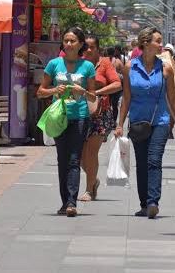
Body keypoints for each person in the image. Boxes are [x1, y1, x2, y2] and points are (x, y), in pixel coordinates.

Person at [115, 28, 175, 219]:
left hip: (160, 121)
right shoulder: (130, 67)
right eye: (157, 41)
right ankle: (144, 204)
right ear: (146, 43)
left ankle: (153, 201)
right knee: (141, 163)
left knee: (154, 160)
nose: (161, 44)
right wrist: (119, 124)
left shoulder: (166, 68)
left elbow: (172, 100)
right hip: (138, 121)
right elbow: (127, 99)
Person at [38, 27, 97, 217]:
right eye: (66, 41)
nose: (68, 44)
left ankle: (72, 202)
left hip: (80, 117)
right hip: (59, 118)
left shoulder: (87, 67)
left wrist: (83, 92)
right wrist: (54, 91)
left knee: (74, 159)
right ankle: (65, 202)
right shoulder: (54, 64)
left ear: (80, 44)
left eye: (72, 41)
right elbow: (40, 91)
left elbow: (93, 96)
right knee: (62, 160)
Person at [79, 35, 122, 202]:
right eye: (86, 47)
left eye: (92, 47)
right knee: (81, 157)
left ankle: (88, 190)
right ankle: (94, 180)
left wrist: (96, 92)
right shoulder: (79, 63)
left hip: (99, 113)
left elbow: (117, 84)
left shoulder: (104, 63)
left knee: (92, 152)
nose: (89, 50)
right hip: (80, 112)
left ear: (98, 48)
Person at [106, 46, 124, 122]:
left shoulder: (104, 61)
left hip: (107, 86)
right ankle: (113, 121)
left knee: (107, 104)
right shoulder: (118, 61)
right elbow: (123, 73)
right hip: (116, 86)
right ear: (114, 53)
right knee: (114, 104)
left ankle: (108, 120)